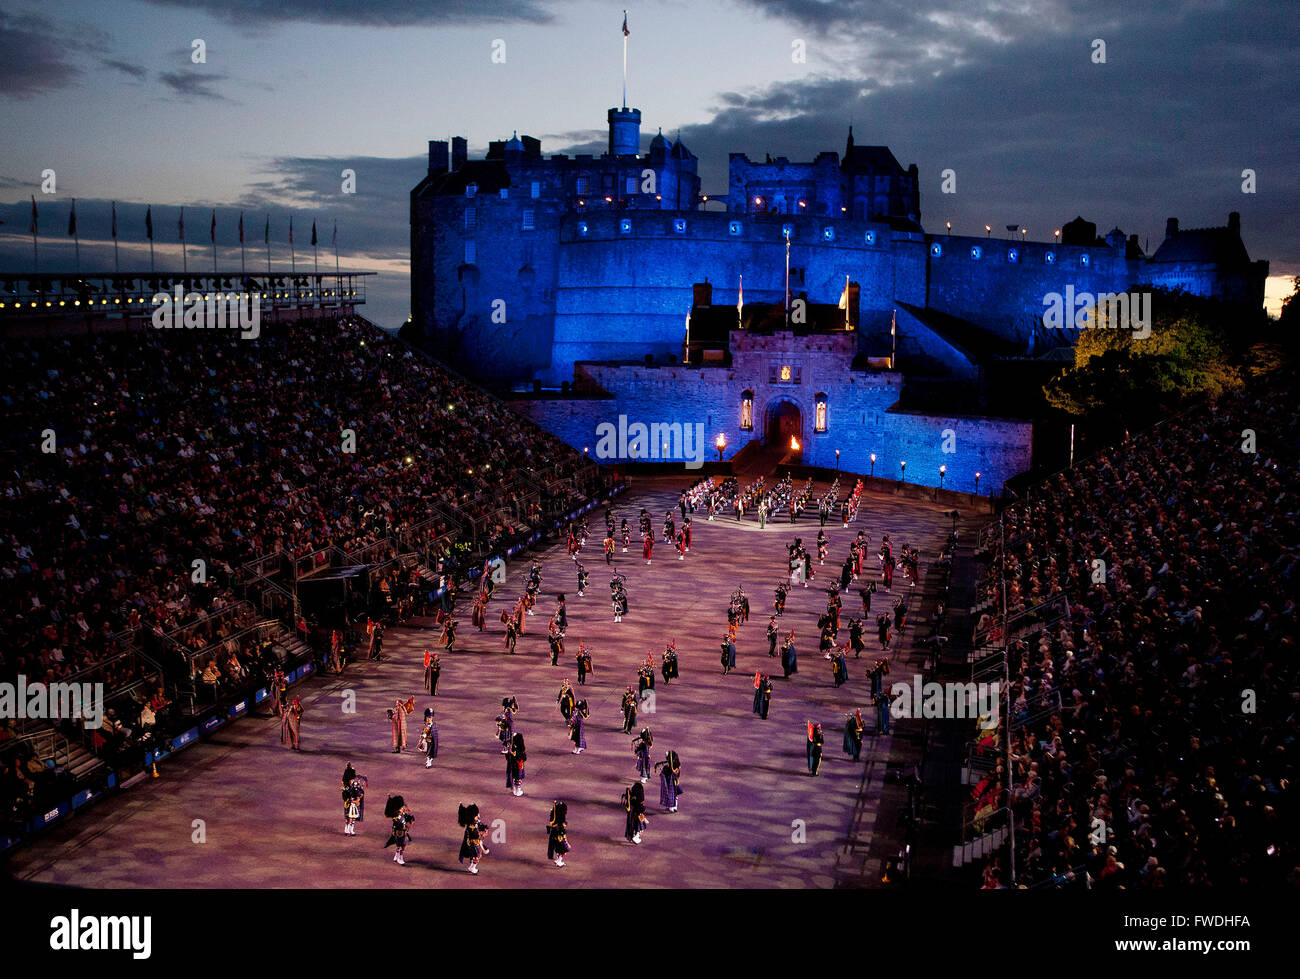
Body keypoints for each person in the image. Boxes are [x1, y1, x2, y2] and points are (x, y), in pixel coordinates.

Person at [457, 803, 490, 874]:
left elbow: (479, 825)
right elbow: (475, 836)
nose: (478, 816)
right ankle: (472, 867)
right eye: (476, 815)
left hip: (476, 842)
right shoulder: (471, 828)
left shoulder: (475, 823)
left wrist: (484, 827)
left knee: (477, 855)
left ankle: (472, 866)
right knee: (477, 856)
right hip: (473, 844)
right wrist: (483, 835)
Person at [383, 796, 414, 866]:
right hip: (398, 832)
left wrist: (411, 818)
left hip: (403, 832)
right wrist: (406, 824)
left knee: (402, 845)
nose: (403, 808)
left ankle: (397, 855)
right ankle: (400, 858)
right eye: (401, 808)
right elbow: (400, 823)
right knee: (401, 845)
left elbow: (407, 818)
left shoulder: (403, 814)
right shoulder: (396, 817)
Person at [342, 764, 366, 835]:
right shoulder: (346, 787)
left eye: (352, 779)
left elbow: (360, 793)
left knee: (354, 817)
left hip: (355, 803)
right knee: (348, 817)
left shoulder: (355, 785)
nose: (352, 780)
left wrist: (359, 797)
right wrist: (351, 800)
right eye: (351, 779)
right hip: (349, 803)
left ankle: (351, 830)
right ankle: (346, 829)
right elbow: (344, 795)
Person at [547, 801, 571, 868]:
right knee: (566, 849)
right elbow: (562, 831)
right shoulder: (561, 820)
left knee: (558, 849)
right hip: (559, 836)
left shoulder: (554, 816)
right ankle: (558, 861)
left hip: (553, 834)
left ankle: (558, 860)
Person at [506, 732, 527, 796]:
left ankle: (515, 789)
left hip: (513, 763)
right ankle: (517, 791)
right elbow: (524, 757)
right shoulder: (520, 750)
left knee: (514, 776)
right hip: (518, 764)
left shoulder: (512, 749)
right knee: (518, 777)